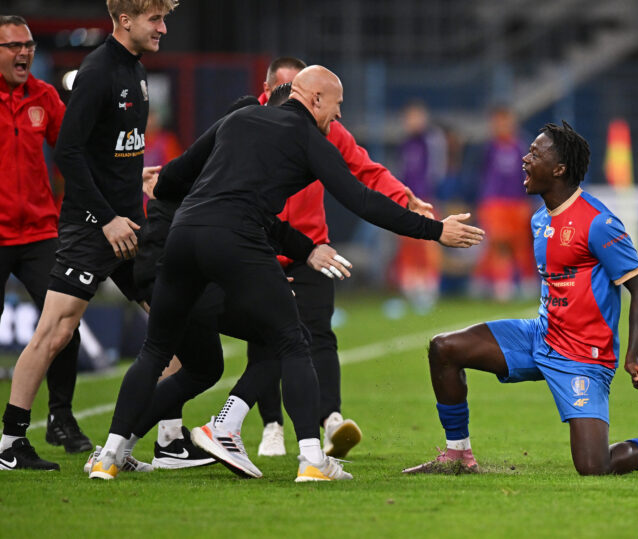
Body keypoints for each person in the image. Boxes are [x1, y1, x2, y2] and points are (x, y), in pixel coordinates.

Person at [89, 65, 484, 482]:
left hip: (183, 238)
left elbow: (172, 180)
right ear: (315, 100)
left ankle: (109, 456)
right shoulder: (309, 138)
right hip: (237, 239)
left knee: (155, 351)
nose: (340, 115)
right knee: (293, 338)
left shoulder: (237, 119)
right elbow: (362, 201)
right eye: (337, 105)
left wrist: (306, 249)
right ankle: (311, 460)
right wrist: (436, 231)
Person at [403, 121, 638, 476]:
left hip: (583, 356)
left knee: (593, 467)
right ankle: (458, 456)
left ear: (559, 169)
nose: (524, 159)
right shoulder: (538, 220)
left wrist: (632, 356)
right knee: (444, 348)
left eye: (535, 153)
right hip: (540, 336)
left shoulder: (599, 223)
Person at [212, 59, 434, 462]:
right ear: (269, 88)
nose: (289, 96)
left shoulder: (325, 127)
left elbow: (364, 168)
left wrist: (404, 197)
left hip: (312, 247)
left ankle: (329, 419)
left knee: (318, 334)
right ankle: (271, 426)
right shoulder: (247, 122)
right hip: (259, 245)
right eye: (283, 87)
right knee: (267, 342)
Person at [0, 0, 178, 472]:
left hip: (128, 226)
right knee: (54, 333)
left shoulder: (136, 71)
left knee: (175, 328)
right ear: (124, 20)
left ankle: (166, 443)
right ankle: (10, 442)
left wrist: (136, 180)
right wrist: (106, 216)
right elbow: (70, 155)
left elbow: (112, 151)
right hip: (91, 227)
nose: (163, 28)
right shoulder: (98, 71)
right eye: (155, 19)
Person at [0, 15, 92, 455]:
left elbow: (73, 152)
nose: (24, 53)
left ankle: (61, 416)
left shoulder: (45, 96)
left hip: (40, 231)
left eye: (29, 45)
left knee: (65, 325)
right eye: (13, 46)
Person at [470, 106, 535, 301]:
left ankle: (527, 283)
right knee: (498, 243)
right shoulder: (487, 148)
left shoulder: (522, 146)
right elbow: (479, 176)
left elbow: (530, 175)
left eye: (505, 120)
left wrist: (529, 200)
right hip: (494, 203)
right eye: (497, 121)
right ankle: (501, 285)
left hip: (517, 202)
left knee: (521, 244)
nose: (501, 125)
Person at [393, 100, 446, 313]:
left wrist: (430, 194)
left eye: (415, 116)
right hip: (406, 200)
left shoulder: (431, 140)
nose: (411, 122)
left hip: (425, 198)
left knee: (428, 245)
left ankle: (430, 288)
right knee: (408, 246)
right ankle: (411, 288)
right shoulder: (404, 144)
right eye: (408, 118)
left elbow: (437, 169)